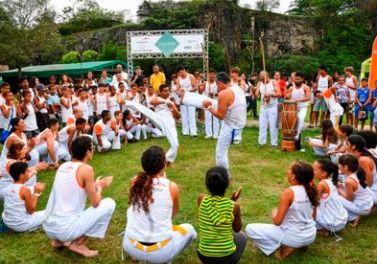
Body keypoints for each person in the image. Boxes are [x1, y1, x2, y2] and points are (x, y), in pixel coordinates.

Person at [43, 137, 116, 257]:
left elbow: (72, 188)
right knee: (109, 203)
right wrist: (100, 187)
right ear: (87, 153)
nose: (92, 151)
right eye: (92, 148)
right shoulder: (86, 169)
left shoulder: (63, 166)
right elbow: (95, 203)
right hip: (65, 229)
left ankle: (58, 241)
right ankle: (78, 243)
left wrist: (95, 185)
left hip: (49, 228)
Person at [123, 146, 197, 263]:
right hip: (160, 251)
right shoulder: (171, 186)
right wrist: (165, 182)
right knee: (190, 230)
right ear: (163, 164)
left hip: (131, 246)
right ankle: (166, 259)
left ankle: (143, 256)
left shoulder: (135, 181)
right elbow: (173, 215)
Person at [246, 161, 318, 260]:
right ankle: (301, 243)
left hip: (293, 237)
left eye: (289, 169)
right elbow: (313, 218)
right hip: (311, 235)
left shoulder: (289, 192)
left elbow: (277, 222)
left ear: (293, 176)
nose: (287, 171)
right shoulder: (313, 189)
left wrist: (275, 214)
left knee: (250, 228)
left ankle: (286, 246)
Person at [197, 167, 246, 264]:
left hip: (204, 256)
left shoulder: (201, 199)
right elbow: (237, 229)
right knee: (242, 236)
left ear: (207, 184)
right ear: (227, 183)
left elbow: (216, 209)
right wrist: (232, 202)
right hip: (227, 258)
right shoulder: (234, 206)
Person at [202, 72, 246, 173]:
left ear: (220, 83)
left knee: (220, 153)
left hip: (231, 127)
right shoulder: (238, 88)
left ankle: (224, 176)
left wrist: (208, 107)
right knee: (222, 151)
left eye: (217, 85)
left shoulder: (224, 93)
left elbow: (220, 116)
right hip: (237, 124)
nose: (217, 88)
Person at [2, 162, 46, 232]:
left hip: (7, 221)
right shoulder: (25, 190)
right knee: (50, 212)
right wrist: (37, 193)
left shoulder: (8, 187)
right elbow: (31, 211)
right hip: (21, 225)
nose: (28, 173)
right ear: (21, 175)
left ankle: (12, 227)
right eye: (27, 171)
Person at [313, 159, 348, 237]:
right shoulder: (331, 180)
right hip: (342, 220)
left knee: (307, 209)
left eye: (314, 170)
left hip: (334, 225)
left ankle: (321, 230)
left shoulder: (322, 184)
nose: (312, 171)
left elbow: (313, 201)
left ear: (323, 173)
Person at [337, 154, 373, 227]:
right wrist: (340, 185)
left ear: (346, 167)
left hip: (362, 207)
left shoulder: (349, 181)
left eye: (340, 164)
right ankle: (353, 213)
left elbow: (349, 198)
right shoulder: (357, 172)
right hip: (368, 203)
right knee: (339, 190)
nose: (338, 165)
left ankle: (353, 216)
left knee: (335, 196)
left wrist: (337, 189)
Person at [151, 84, 180, 167]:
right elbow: (152, 102)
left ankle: (167, 160)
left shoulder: (171, 102)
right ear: (160, 92)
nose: (167, 92)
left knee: (175, 144)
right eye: (165, 91)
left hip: (169, 122)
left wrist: (173, 108)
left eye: (168, 90)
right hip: (159, 120)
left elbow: (177, 117)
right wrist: (164, 102)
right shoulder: (157, 98)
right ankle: (166, 161)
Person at [346, 135, 377, 206]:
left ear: (353, 147)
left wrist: (354, 187)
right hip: (372, 189)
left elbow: (369, 183)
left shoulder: (362, 160)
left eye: (347, 144)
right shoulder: (361, 156)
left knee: (344, 194)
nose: (345, 146)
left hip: (373, 192)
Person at [285, 72, 310, 150]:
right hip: (293, 108)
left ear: (302, 79)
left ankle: (297, 136)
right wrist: (288, 96)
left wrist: (298, 100)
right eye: (295, 79)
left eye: (298, 79)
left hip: (302, 107)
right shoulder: (291, 88)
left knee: (300, 118)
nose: (296, 80)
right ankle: (295, 142)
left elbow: (308, 97)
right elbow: (286, 97)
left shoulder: (306, 87)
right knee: (292, 124)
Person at [256, 71, 280, 147]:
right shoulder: (260, 83)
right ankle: (261, 142)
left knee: (273, 126)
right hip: (263, 106)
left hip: (272, 107)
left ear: (267, 76)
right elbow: (257, 94)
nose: (262, 80)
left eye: (263, 79)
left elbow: (279, 93)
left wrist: (270, 94)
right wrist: (256, 91)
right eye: (261, 79)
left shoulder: (274, 82)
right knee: (262, 124)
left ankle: (274, 143)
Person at [176, 65, 197, 137]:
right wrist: (180, 93)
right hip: (183, 97)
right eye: (179, 73)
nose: (181, 74)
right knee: (184, 115)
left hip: (190, 96)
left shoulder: (190, 76)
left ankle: (193, 132)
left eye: (181, 72)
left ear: (184, 70)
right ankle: (185, 132)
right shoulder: (178, 79)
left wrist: (187, 91)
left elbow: (195, 87)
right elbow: (177, 89)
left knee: (191, 115)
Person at [204, 70, 220, 139]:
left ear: (215, 75)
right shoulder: (205, 83)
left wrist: (213, 94)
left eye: (213, 74)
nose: (212, 75)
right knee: (208, 118)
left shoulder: (217, 83)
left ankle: (216, 134)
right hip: (207, 101)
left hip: (215, 101)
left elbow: (220, 92)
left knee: (216, 118)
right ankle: (209, 134)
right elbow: (200, 91)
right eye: (211, 74)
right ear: (208, 75)